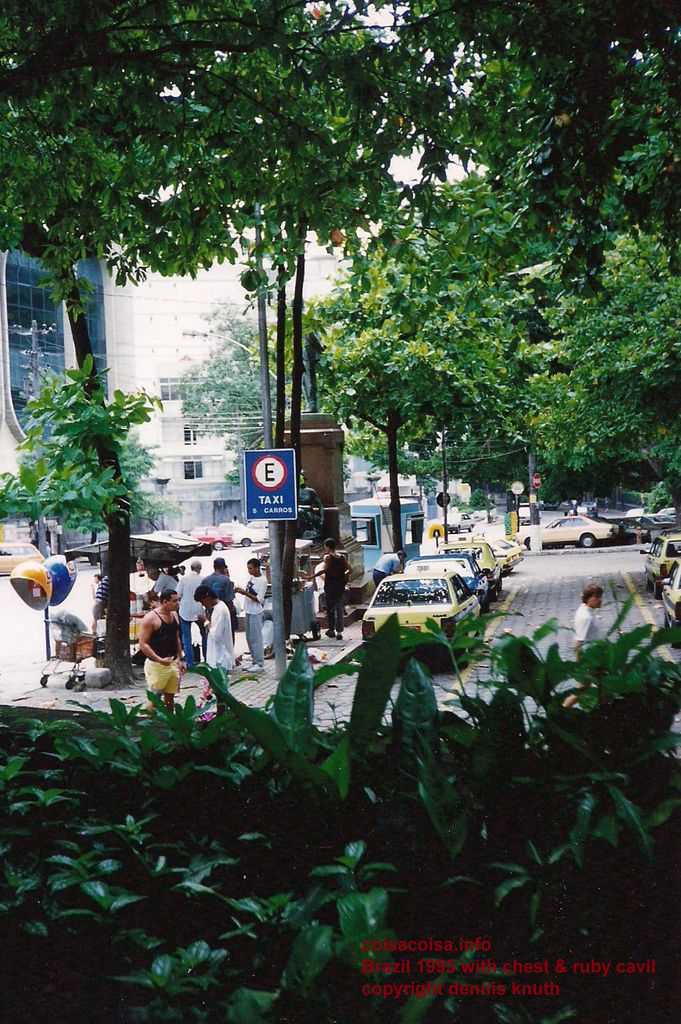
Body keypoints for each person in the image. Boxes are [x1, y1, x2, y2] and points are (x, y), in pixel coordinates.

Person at [138, 588, 185, 711]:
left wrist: (180, 658)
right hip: (157, 665)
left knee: (170, 698)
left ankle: (170, 722)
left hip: (172, 662)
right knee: (154, 698)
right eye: (174, 601)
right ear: (164, 602)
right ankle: (150, 723)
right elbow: (143, 644)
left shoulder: (174, 615)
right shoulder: (150, 618)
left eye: (178, 600)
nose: (177, 603)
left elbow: (176, 638)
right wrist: (159, 659)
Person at [564, 583, 604, 708]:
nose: (600, 600)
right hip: (589, 660)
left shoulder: (584, 609)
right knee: (583, 688)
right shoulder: (585, 617)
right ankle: (563, 708)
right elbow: (578, 642)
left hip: (594, 657)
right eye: (597, 597)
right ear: (590, 598)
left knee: (597, 687)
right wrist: (580, 665)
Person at [314, 538, 350, 640]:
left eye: (325, 546)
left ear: (327, 547)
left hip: (330, 587)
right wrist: (343, 578)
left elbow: (323, 571)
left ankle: (332, 630)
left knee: (330, 609)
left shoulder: (328, 558)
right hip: (340, 586)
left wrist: (311, 577)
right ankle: (339, 632)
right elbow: (349, 570)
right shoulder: (342, 557)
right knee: (339, 608)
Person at [236, 558, 268, 671]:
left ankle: (259, 663)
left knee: (256, 638)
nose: (249, 570)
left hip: (256, 612)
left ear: (256, 567)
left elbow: (259, 599)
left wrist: (245, 593)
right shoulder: (251, 577)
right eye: (248, 568)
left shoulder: (263, 580)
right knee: (249, 637)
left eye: (251, 568)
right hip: (248, 610)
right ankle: (254, 660)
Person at [194, 585, 235, 671]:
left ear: (207, 598)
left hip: (220, 657)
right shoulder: (217, 608)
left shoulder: (220, 610)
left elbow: (216, 635)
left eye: (202, 602)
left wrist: (205, 621)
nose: (203, 605)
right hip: (216, 655)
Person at [177, 560, 205, 669]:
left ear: (191, 568)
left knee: (186, 637)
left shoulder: (184, 580)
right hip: (199, 610)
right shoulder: (203, 579)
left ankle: (190, 663)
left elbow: (178, 594)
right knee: (204, 635)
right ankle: (206, 659)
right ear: (200, 568)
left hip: (185, 611)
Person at [202, 557, 238, 639]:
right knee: (227, 638)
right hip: (224, 612)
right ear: (222, 567)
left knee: (212, 636)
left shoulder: (205, 580)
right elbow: (229, 600)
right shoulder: (226, 580)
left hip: (210, 613)